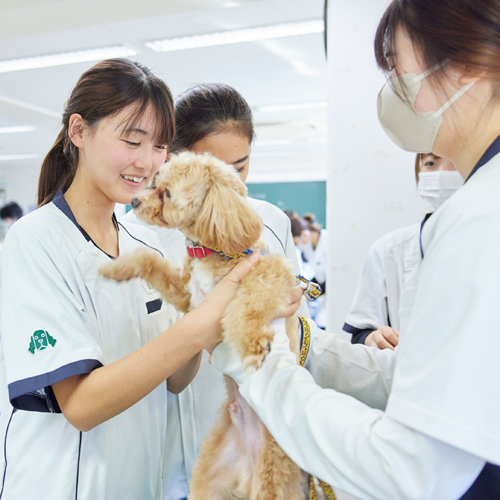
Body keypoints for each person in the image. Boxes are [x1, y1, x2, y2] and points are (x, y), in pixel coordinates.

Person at [210, 0, 500, 498]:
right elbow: (426, 380)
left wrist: (263, 366)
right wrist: (301, 343)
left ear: (468, 66)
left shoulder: (479, 217)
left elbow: (412, 467)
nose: (391, 92)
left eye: (398, 70)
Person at [0, 59, 269, 500]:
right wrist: (196, 325)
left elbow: (176, 379)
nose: (147, 163)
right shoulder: (35, 240)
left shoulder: (147, 246)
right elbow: (81, 406)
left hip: (140, 485)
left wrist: (210, 307)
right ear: (79, 131)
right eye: (132, 140)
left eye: (161, 146)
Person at [121, 83, 310, 500]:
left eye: (239, 167)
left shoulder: (267, 222)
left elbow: (294, 329)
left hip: (259, 424)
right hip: (169, 448)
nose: (228, 183)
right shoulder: (135, 234)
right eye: (214, 171)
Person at [344, 153, 463, 349]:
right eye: (431, 163)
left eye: (456, 162)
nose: (443, 173)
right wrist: (374, 338)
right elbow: (361, 333)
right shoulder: (389, 250)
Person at [296, 213, 327, 328]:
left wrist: (309, 294)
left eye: (297, 242)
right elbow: (319, 276)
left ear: (304, 234)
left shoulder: (328, 241)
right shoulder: (308, 247)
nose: (298, 246)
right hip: (323, 297)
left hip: (334, 293)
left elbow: (332, 279)